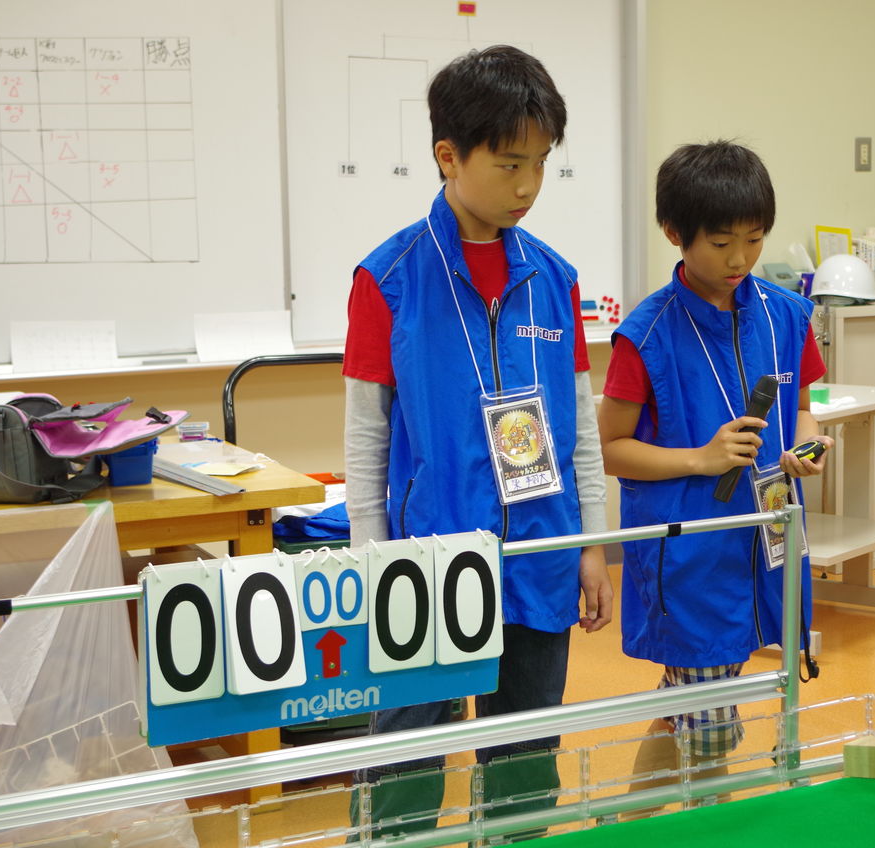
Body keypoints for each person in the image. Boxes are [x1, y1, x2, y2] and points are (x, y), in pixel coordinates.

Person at [341, 45, 613, 834]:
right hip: (424, 565)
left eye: (541, 164)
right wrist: (371, 563)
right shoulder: (387, 279)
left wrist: (592, 545)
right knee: (404, 764)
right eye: (509, 164)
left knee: (525, 767)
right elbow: (366, 439)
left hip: (539, 553)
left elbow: (580, 432)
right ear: (448, 157)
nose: (527, 186)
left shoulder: (555, 279)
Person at [598, 141, 830, 807]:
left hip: (768, 539)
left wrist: (808, 447)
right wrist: (699, 458)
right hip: (691, 556)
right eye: (722, 242)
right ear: (675, 232)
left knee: (695, 705)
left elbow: (805, 409)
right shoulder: (646, 335)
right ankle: (700, 821)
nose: (739, 260)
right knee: (709, 723)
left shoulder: (787, 315)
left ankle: (637, 822)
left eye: (754, 240)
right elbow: (610, 448)